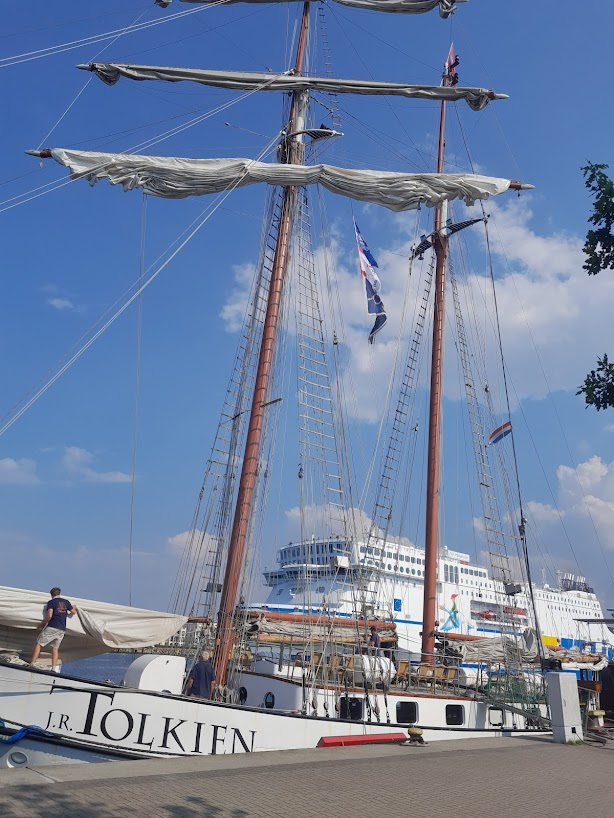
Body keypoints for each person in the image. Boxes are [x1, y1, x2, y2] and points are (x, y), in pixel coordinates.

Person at [31, 587, 77, 672]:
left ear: (51, 595)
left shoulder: (51, 602)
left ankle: (32, 663)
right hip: (62, 629)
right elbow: (73, 612)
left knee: (39, 643)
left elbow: (49, 616)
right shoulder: (66, 602)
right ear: (59, 593)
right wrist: (73, 607)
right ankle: (53, 668)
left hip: (53, 626)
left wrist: (41, 625)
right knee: (55, 648)